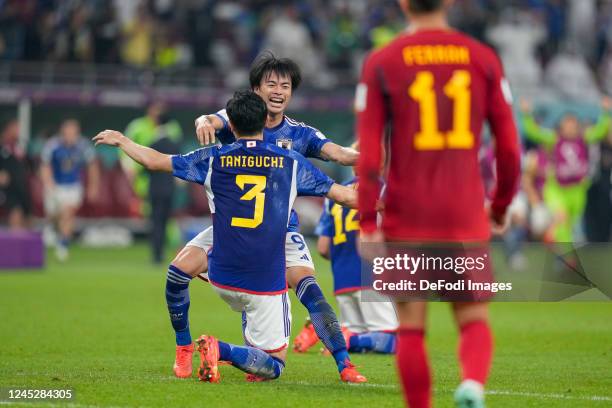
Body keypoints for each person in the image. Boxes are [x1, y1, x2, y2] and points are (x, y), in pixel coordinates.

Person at [93, 90, 359, 383]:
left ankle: (184, 343)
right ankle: (221, 350)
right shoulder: (291, 162)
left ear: (230, 125)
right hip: (263, 278)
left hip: (221, 272)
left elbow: (155, 161)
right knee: (274, 366)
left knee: (178, 271)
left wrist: (123, 141)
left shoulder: (212, 158)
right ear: (265, 123)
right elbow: (347, 196)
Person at [356, 1, 521, 407]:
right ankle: (472, 385)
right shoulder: (482, 58)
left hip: (406, 216)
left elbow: (370, 157)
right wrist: (499, 206)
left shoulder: (382, 61)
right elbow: (511, 150)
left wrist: (366, 222)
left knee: (411, 327)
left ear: (403, 3)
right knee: (472, 318)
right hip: (463, 213)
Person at [170, 52, 365, 383]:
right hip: (232, 228)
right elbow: (212, 120)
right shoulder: (238, 117)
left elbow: (340, 154)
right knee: (177, 272)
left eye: (285, 86)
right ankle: (184, 349)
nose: (278, 91)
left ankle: (345, 365)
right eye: (271, 84)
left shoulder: (301, 134)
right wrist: (204, 121)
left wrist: (373, 158)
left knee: (309, 288)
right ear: (256, 89)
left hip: (279, 230)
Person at [315, 145, 398, 354]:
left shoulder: (335, 194)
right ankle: (344, 340)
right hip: (372, 273)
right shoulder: (385, 189)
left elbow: (323, 247)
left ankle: (336, 337)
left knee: (360, 342)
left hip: (342, 278)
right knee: (391, 339)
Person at [520, 97, 611, 242]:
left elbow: (600, 131)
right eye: (566, 124)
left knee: (569, 227)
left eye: (573, 124)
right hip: (557, 189)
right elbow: (533, 132)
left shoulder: (584, 138)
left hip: (577, 191)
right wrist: (526, 115)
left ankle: (556, 243)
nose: (569, 127)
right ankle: (569, 259)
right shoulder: (554, 140)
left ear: (577, 126)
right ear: (561, 127)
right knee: (561, 217)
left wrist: (605, 112)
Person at [40, 119, 99, 261]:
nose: (71, 134)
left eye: (74, 131)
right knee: (54, 216)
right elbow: (45, 166)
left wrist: (93, 187)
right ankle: (53, 230)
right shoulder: (52, 145)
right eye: (68, 131)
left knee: (68, 213)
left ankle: (63, 245)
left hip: (73, 186)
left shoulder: (83, 146)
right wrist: (49, 183)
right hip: (55, 186)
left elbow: (92, 166)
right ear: (63, 131)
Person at [147, 117, 180, 264]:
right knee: (165, 222)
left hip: (155, 189)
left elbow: (145, 168)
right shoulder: (174, 145)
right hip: (169, 190)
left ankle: (156, 255)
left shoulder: (152, 144)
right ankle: (162, 253)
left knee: (156, 222)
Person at [0, 119, 31, 230]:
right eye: (15, 128)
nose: (17, 131)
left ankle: (24, 244)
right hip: (8, 188)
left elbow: (30, 164)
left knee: (27, 216)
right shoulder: (3, 146)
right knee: (15, 213)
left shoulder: (21, 146)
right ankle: (14, 242)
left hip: (22, 186)